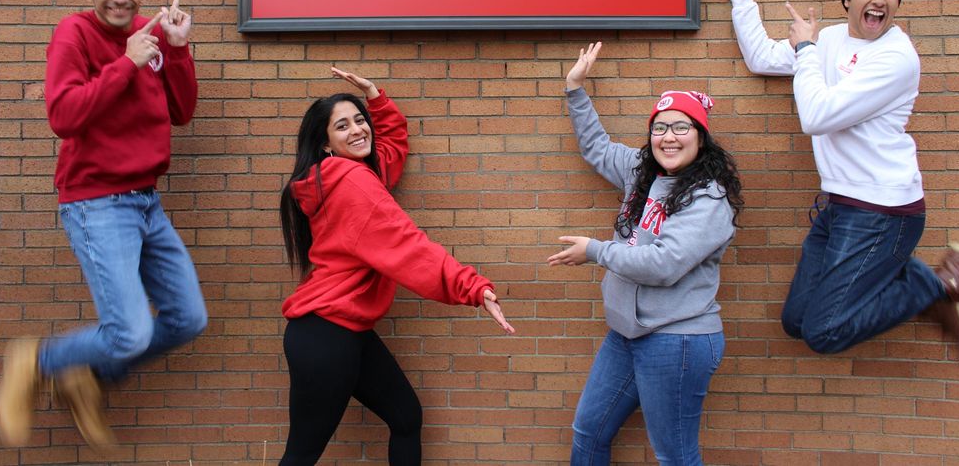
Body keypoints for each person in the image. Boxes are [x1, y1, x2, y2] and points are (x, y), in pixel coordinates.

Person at [723, 0, 959, 362]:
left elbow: (817, 116)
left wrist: (806, 49)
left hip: (883, 211)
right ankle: (920, 287)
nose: (880, 0)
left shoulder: (896, 58)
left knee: (824, 332)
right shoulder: (828, 41)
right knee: (797, 321)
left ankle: (939, 284)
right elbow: (762, 58)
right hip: (842, 206)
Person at [0, 0, 208, 448]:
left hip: (145, 202)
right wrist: (126, 64)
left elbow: (181, 112)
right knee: (130, 332)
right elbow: (63, 116)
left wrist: (176, 50)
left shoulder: (149, 34)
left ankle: (84, 373)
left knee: (187, 318)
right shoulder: (74, 33)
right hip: (96, 202)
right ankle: (39, 360)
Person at [278, 67, 514, 466]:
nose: (358, 130)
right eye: (342, 126)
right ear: (326, 144)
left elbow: (389, 150)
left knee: (405, 416)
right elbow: (410, 248)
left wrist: (375, 98)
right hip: (327, 339)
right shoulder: (354, 186)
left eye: (359, 120)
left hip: (339, 331)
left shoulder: (341, 177)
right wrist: (471, 287)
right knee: (301, 456)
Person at [549, 42, 743, 466]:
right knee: (589, 431)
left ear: (700, 137)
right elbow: (597, 149)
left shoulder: (710, 198)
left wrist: (595, 251)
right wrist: (575, 89)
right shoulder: (642, 172)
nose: (668, 137)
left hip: (678, 340)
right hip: (627, 334)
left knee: (674, 456)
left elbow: (663, 264)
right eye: (660, 127)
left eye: (681, 127)